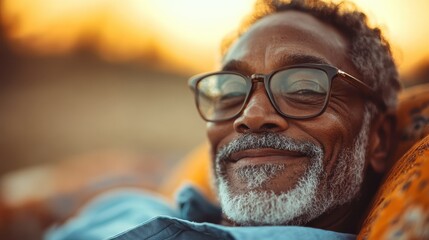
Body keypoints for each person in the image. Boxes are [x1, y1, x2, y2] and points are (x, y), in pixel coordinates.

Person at [45, 0, 401, 239]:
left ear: (379, 139)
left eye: (304, 86)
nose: (252, 115)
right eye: (231, 92)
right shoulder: (125, 204)